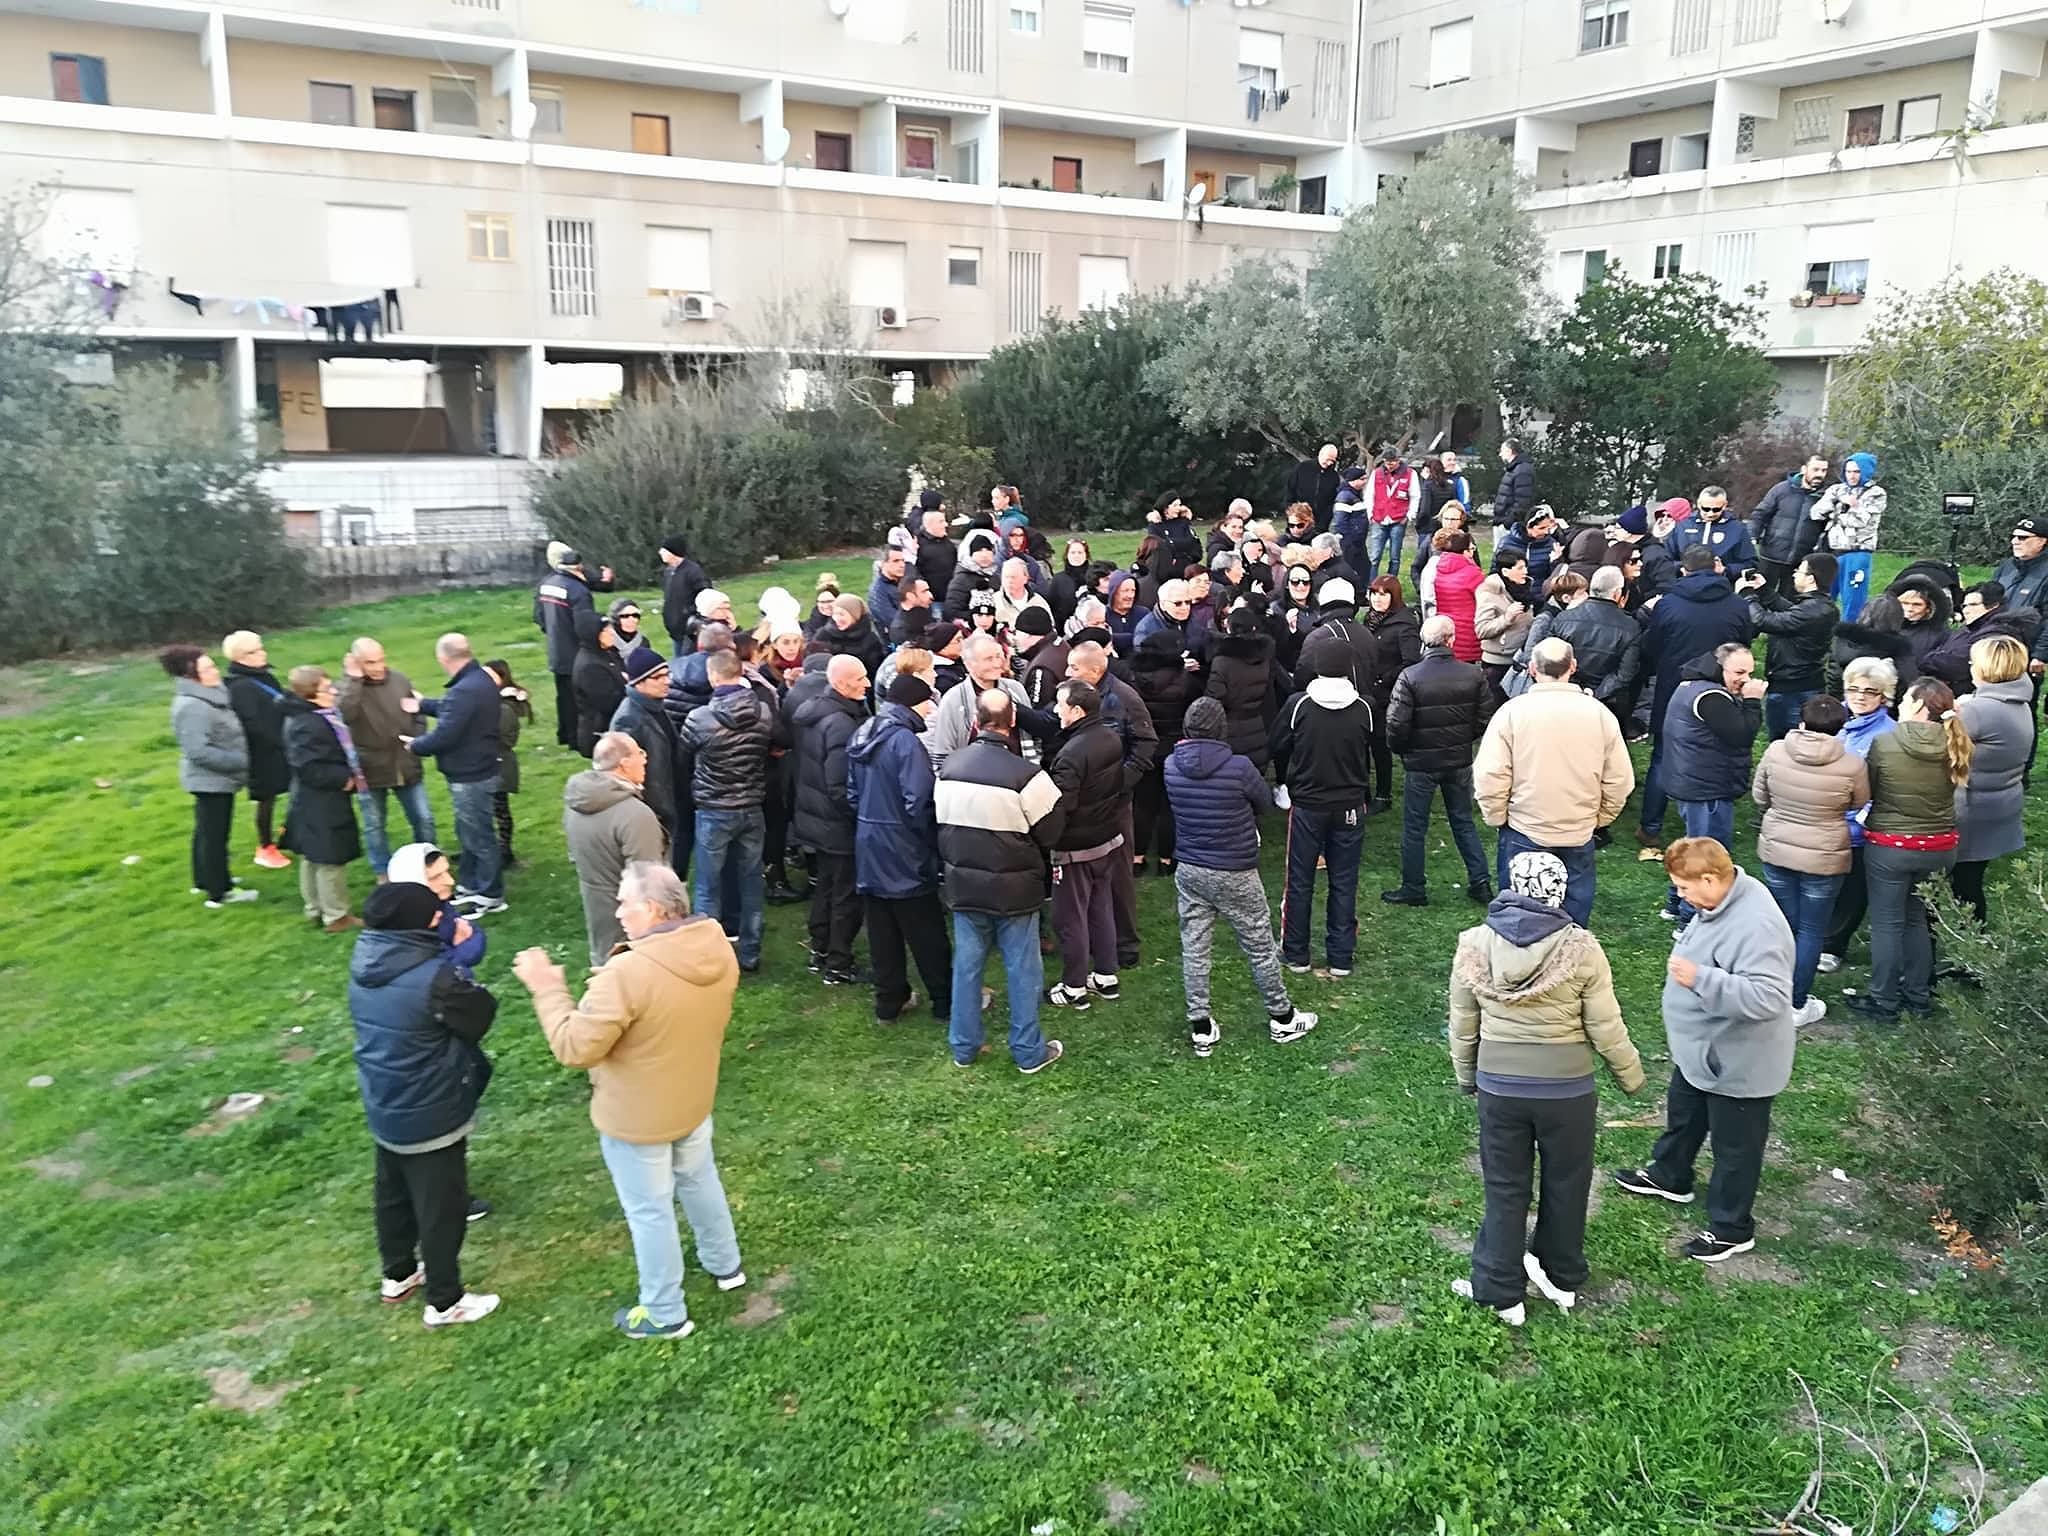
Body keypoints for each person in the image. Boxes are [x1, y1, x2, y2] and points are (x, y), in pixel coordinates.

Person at [514, 862, 745, 1341]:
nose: (617, 911)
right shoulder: (715, 943)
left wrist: (548, 989)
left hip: (638, 1117)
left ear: (655, 909)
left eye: (625, 902)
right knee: (699, 1179)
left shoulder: (628, 973)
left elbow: (575, 1047)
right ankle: (726, 1265)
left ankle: (664, 1312)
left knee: (650, 1211)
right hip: (692, 1098)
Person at [1448, 850, 1644, 1324]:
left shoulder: (1473, 943)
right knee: (1568, 1181)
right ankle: (1561, 1274)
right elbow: (1605, 1025)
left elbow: (1463, 1022)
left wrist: (1467, 1076)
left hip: (1501, 1088)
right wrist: (1631, 1076)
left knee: (1505, 1186)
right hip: (1567, 1090)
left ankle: (1500, 1292)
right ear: (1560, 891)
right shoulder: (1582, 948)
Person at [1612, 837, 1795, 1263]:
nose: (1680, 896)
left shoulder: (1756, 925)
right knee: (1685, 1116)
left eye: (1683, 887)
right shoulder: (1721, 901)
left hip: (1739, 1062)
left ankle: (1732, 1228)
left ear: (1710, 879)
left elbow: (1768, 998)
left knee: (1736, 1151)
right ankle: (1670, 1175)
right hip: (1704, 1051)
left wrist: (1700, 979)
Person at [348, 880, 500, 1327]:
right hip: (431, 1105)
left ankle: (398, 1275)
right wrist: (460, 958)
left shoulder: (367, 958)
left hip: (385, 1098)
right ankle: (445, 1300)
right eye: (435, 914)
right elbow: (478, 1015)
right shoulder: (435, 979)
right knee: (442, 1207)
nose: (442, 919)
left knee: (392, 1193)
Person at [1165, 698, 1316, 1057]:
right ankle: (1282, 1016)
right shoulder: (1239, 767)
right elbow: (1264, 803)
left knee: (1194, 948)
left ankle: (1201, 1026)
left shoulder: (1171, 765)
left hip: (1190, 868)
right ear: (1222, 729)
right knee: (1259, 945)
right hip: (1235, 869)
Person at [935, 690, 1067, 1073]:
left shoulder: (948, 768)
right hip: (1015, 890)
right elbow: (1051, 831)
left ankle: (963, 1047)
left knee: (967, 967)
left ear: (975, 722)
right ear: (1012, 722)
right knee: (1023, 970)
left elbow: (938, 821)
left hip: (964, 885)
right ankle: (1028, 1052)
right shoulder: (1028, 776)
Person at [1473, 638, 1634, 927]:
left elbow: (1490, 775)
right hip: (1576, 830)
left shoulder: (1512, 712)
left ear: (1532, 669)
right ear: (1573, 667)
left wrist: (1497, 816)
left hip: (1525, 828)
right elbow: (1620, 780)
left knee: (1520, 918)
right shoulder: (1599, 714)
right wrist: (1599, 819)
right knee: (1574, 923)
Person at [1843, 678, 1973, 1022]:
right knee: (1917, 919)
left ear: (1918, 706)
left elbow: (1869, 791)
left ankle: (1884, 1000)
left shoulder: (1885, 743)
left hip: (1891, 846)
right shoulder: (1956, 742)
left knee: (1887, 923)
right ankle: (1918, 996)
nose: (1898, 705)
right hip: (1939, 846)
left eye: (1904, 700)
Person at [1751, 695, 1868, 1026]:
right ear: (1840, 728)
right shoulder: (1852, 765)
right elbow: (1859, 802)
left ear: (1801, 722)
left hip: (1778, 848)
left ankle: (1771, 993)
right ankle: (1796, 1003)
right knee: (1811, 929)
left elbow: (1760, 795)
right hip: (1825, 855)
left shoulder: (1776, 751)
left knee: (1784, 924)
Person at [849, 674, 956, 1024]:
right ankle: (945, 1002)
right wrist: (932, 842)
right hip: (905, 850)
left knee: (882, 932)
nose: (931, 710)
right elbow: (919, 801)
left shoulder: (863, 732)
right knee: (926, 931)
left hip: (869, 845)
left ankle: (889, 1002)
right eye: (928, 703)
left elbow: (851, 793)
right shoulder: (906, 742)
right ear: (914, 703)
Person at [1638, 547, 1752, 850]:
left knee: (1663, 755)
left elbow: (1651, 645)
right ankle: (1708, 821)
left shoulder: (1668, 604)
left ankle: (1650, 826)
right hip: (1722, 691)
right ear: (1716, 567)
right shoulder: (1737, 605)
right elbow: (1745, 643)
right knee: (1718, 751)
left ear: (1684, 570)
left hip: (1674, 690)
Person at [677, 648, 782, 973]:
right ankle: (750, 952)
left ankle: (708, 956)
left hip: (713, 809)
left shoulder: (700, 718)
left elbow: (682, 758)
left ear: (713, 677)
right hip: (751, 806)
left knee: (708, 885)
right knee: (750, 882)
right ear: (742, 673)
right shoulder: (763, 712)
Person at [1270, 646, 1373, 977]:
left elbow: (1277, 743)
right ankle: (1341, 957)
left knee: (1299, 880)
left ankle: (1295, 953)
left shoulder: (1299, 705)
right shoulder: (1364, 708)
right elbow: (1375, 745)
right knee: (1344, 880)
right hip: (1349, 805)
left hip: (1309, 806)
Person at [1384, 615, 1495, 906]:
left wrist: (1404, 750)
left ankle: (1413, 887)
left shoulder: (1410, 677)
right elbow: (1485, 717)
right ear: (1451, 640)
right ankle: (1480, 882)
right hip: (1458, 760)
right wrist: (1463, 739)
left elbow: (1396, 724)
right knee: (1463, 821)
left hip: (1421, 763)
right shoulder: (1473, 675)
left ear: (1424, 641)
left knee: (1415, 827)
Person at [1656, 643, 1766, 927]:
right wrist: (1753, 701)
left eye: (1749, 673)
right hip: (1706, 788)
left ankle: (1675, 904)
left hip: (1690, 781)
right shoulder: (1712, 697)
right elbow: (1742, 734)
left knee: (1693, 847)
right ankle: (1690, 919)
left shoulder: (1691, 685)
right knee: (1707, 857)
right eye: (1739, 672)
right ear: (1720, 668)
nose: (1745, 679)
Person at [1065, 640, 1158, 970]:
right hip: (1084, 801)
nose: (1067, 672)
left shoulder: (1124, 698)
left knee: (1118, 874)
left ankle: (1125, 943)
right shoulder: (1074, 694)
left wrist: (1120, 782)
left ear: (1095, 670)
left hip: (1114, 803)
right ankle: (1094, 938)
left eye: (1074, 667)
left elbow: (1145, 743)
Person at [406, 633, 506, 916]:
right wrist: (424, 704)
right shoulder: (480, 679)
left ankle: (491, 894)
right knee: (469, 832)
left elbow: (446, 734)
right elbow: (455, 710)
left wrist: (415, 745)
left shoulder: (464, 690)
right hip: (481, 768)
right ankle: (471, 884)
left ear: (443, 658)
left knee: (479, 836)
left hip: (470, 774)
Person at [1044, 680, 1126, 1011]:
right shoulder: (1111, 737)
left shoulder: (1070, 755)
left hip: (1075, 849)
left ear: (1077, 711)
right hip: (1106, 840)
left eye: (1060, 705)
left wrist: (1047, 840)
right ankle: (1106, 975)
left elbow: (1062, 807)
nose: (1055, 710)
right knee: (1100, 907)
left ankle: (1074, 986)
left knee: (1070, 917)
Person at [1818, 657, 1900, 976]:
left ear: (1884, 696)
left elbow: (1885, 786)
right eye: (1853, 689)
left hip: (1857, 827)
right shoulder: (1830, 718)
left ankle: (1833, 945)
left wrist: (1860, 820)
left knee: (1851, 890)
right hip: (1820, 819)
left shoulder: (1889, 733)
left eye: (1870, 691)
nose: (1860, 696)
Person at [791, 655, 870, 984]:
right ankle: (838, 963)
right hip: (837, 824)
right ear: (840, 683)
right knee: (845, 895)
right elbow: (839, 785)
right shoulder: (840, 724)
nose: (867, 684)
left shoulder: (817, 711)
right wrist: (860, 816)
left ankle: (820, 948)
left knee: (825, 887)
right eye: (860, 678)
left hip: (816, 818)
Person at [163, 645, 256, 908]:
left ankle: (204, 879)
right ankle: (220, 892)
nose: (216, 671)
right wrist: (241, 762)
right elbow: (198, 751)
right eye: (208, 669)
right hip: (211, 781)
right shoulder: (194, 707)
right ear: (191, 675)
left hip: (215, 779)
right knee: (215, 836)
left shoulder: (208, 697)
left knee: (205, 832)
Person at [564, 731, 667, 966]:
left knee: (606, 967)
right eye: (639, 753)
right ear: (624, 764)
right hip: (633, 917)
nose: (645, 758)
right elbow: (647, 880)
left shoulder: (577, 802)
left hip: (596, 904)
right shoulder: (635, 815)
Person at [340, 638, 437, 880]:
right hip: (370, 768)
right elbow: (345, 715)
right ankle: (382, 871)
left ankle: (429, 865)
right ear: (356, 662)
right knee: (374, 825)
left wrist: (416, 739)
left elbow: (417, 711)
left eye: (381, 660)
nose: (378, 667)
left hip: (406, 762)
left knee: (424, 819)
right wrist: (354, 680)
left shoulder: (400, 680)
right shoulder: (347, 688)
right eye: (370, 662)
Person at [277, 665, 365, 933]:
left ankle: (315, 909)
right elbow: (309, 767)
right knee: (330, 857)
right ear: (310, 694)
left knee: (312, 855)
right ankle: (336, 915)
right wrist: (344, 779)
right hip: (322, 800)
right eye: (327, 689)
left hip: (309, 799)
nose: (334, 692)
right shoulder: (309, 724)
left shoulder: (304, 716)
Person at [1953, 635, 2032, 923]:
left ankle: (1963, 943)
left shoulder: (1977, 711)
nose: (1970, 666)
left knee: (1961, 885)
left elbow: (1939, 750)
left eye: (1973, 662)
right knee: (1971, 881)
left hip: (1970, 809)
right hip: (2000, 801)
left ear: (1986, 668)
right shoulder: (2018, 700)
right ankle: (1974, 942)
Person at [1738, 553, 1838, 741]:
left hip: (1792, 690)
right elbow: (1790, 613)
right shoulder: (1818, 606)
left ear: (1810, 578)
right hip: (1801, 684)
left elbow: (1764, 621)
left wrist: (1747, 595)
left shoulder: (1812, 610)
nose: (1794, 574)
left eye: (1799, 570)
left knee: (1788, 742)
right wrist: (1764, 591)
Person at [1127, 630, 1199, 875]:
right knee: (1170, 805)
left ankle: (1137, 858)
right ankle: (1166, 860)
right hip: (1175, 748)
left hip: (1144, 748)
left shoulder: (1133, 679)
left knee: (1143, 803)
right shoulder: (1186, 680)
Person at [221, 631, 293, 870]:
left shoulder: (265, 676)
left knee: (297, 788)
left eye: (261, 647)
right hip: (262, 753)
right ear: (241, 657)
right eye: (255, 650)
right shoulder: (240, 687)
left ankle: (290, 833)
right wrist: (279, 740)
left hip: (283, 745)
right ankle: (265, 847)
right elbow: (252, 724)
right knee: (266, 798)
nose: (263, 653)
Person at [534, 545, 613, 748]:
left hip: (556, 648)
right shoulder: (578, 591)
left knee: (563, 695)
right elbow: (584, 625)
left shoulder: (546, 583)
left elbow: (539, 616)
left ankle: (564, 734)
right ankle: (577, 740)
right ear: (579, 568)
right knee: (579, 699)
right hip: (575, 651)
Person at [1543, 566, 1640, 725]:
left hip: (1564, 698)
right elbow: (1624, 675)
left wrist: (1575, 689)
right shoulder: (1631, 627)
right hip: (1606, 705)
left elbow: (1551, 659)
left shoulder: (1563, 619)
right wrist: (1594, 694)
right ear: (1617, 593)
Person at [610, 648, 679, 857]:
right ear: (638, 682)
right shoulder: (628, 720)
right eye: (658, 677)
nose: (667, 681)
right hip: (652, 807)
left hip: (669, 798)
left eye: (667, 674)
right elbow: (623, 774)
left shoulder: (656, 706)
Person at [1362, 576, 1421, 813]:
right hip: (1367, 689)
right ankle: (1363, 792)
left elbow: (1410, 661)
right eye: (1374, 593)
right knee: (1363, 742)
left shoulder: (1404, 624)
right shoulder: (1370, 619)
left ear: (1393, 596)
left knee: (1380, 745)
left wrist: (1383, 679)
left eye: (1383, 594)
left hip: (1387, 694)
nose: (1377, 599)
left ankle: (1383, 794)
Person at [385, 842, 487, 977]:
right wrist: (463, 952)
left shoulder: (439, 905)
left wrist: (461, 949)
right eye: (436, 877)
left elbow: (475, 933)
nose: (450, 881)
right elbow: (439, 977)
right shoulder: (406, 928)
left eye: (447, 872)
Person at [1922, 581, 2041, 695]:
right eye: (1964, 606)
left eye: (1973, 605)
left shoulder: (1998, 632)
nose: (1966, 610)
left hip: (1977, 696)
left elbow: (1957, 664)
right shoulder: (1971, 627)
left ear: (1993, 606)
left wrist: (1927, 660)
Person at [1811, 452, 1884, 620]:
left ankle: (1849, 631)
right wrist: (1842, 503)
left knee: (1853, 599)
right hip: (1832, 551)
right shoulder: (1837, 489)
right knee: (1824, 595)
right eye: (1848, 471)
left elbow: (1861, 521)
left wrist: (1841, 511)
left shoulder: (1876, 493)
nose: (1852, 476)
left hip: (1857, 552)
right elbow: (1816, 513)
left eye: (1857, 471)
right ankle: (1821, 629)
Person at [1205, 604, 1279, 770]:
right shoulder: (1264, 658)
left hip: (1230, 731)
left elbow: (1214, 698)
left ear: (1229, 628)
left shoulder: (1222, 661)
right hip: (1257, 727)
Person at [1746, 456, 1830, 597]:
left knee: (1789, 602)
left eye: (1824, 470)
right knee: (1759, 596)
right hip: (1771, 556)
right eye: (1815, 469)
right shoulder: (1781, 490)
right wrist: (1752, 535)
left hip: (1800, 562)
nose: (1820, 474)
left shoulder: (1826, 497)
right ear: (1804, 469)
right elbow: (1760, 514)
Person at [1825, 592, 1918, 698]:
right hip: (1878, 702)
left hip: (1843, 698)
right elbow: (1907, 680)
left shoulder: (1843, 638)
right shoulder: (1898, 647)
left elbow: (1833, 675)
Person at [484, 659, 530, 868]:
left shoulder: (503, 707)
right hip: (497, 762)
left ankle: (505, 851)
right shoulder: (502, 703)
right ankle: (495, 849)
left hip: (499, 764)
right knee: (494, 807)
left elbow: (503, 739)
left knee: (499, 808)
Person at [1475, 554, 1535, 697]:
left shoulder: (1525, 588)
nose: (1525, 571)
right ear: (1505, 571)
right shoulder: (1489, 593)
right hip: (1497, 664)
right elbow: (1482, 630)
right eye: (1520, 568)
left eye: (1525, 567)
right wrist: (1507, 618)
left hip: (1521, 660)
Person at [1666, 487, 1757, 579]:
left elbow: (1750, 563)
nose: (1710, 514)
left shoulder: (1737, 529)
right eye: (1705, 509)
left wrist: (1726, 570)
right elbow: (1665, 559)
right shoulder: (1682, 526)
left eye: (1716, 509)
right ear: (1699, 504)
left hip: (1722, 583)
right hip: (1685, 583)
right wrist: (1682, 568)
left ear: (1724, 505)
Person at [572, 611, 626, 758]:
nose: (612, 633)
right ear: (593, 635)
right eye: (606, 631)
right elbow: (609, 703)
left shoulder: (606, 653)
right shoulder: (589, 667)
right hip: (600, 733)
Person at [1431, 531, 1486, 663]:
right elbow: (1485, 600)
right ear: (1464, 551)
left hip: (1446, 628)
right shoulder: (1473, 573)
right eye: (1471, 549)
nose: (1473, 553)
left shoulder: (1439, 569)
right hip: (1468, 630)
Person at [1492, 505, 1563, 596]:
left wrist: (1556, 561)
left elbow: (1555, 576)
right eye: (1541, 528)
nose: (1546, 532)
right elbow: (1495, 570)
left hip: (1540, 595)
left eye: (1548, 528)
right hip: (1510, 595)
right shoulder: (1506, 542)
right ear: (1528, 526)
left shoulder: (1552, 545)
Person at [658, 534, 709, 654]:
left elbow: (706, 596)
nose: (660, 552)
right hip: (675, 631)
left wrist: (688, 613)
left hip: (689, 631)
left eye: (664, 550)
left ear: (673, 552)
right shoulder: (668, 572)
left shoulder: (693, 571)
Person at [1889, 576, 1952, 668]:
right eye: (1904, 603)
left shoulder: (1940, 633)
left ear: (1928, 608)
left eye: (1917, 605)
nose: (1909, 609)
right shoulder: (1885, 624)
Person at [1285, 444, 1341, 532]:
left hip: (1320, 523)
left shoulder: (1334, 477)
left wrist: (1323, 523)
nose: (1330, 463)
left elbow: (1331, 502)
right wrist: (1291, 513)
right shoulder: (1302, 468)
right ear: (1321, 454)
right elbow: (1290, 491)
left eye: (1332, 460)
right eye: (1328, 459)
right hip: (1299, 519)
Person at [1493, 439, 1536, 532]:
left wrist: (1508, 522)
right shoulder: (1515, 468)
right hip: (1503, 521)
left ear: (1509, 451)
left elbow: (1522, 501)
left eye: (1502, 451)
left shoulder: (1522, 470)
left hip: (1510, 525)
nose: (1500, 454)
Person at [867, 545, 908, 639]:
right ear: (883, 563)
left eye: (903, 561)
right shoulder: (877, 591)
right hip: (894, 640)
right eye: (896, 561)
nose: (902, 565)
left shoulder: (905, 583)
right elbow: (892, 621)